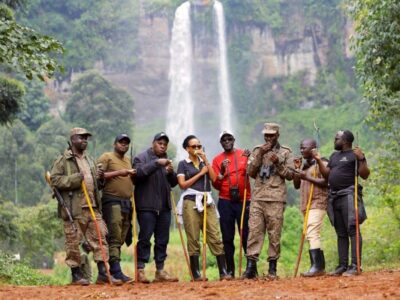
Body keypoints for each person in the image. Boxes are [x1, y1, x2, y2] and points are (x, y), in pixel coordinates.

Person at [50, 128, 121, 285]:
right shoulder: (64, 160)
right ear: (73, 139)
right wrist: (75, 179)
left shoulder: (89, 160)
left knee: (101, 237)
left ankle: (103, 273)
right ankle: (76, 275)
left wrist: (101, 179)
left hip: (93, 207)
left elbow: (96, 184)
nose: (85, 140)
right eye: (81, 138)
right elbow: (55, 181)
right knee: (73, 242)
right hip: (74, 209)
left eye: (86, 138)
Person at [242, 123, 295, 280]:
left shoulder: (286, 152)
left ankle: (272, 269)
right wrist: (260, 155)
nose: (268, 138)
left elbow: (291, 175)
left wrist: (278, 162)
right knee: (254, 232)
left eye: (271, 135)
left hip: (275, 199)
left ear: (278, 135)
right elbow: (250, 172)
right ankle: (251, 267)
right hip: (258, 198)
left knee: (274, 234)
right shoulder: (257, 150)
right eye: (266, 135)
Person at [313, 130, 370, 276]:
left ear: (344, 141)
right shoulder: (334, 156)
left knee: (352, 229)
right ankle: (342, 265)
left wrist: (362, 158)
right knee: (341, 232)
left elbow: (364, 175)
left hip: (349, 196)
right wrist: (319, 160)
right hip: (334, 197)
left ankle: (355, 265)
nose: (334, 140)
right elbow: (327, 175)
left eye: (336, 138)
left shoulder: (355, 155)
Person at [177, 135, 232, 281]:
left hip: (207, 201)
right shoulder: (183, 164)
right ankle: (195, 273)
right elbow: (182, 185)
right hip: (190, 201)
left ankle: (223, 271)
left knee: (215, 234)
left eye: (199, 146)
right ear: (187, 149)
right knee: (193, 236)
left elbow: (214, 179)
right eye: (193, 147)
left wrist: (206, 161)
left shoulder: (204, 163)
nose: (197, 149)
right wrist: (200, 174)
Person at [133, 132, 179, 283]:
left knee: (162, 240)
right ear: (153, 143)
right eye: (160, 143)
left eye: (165, 144)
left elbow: (173, 183)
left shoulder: (167, 161)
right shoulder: (141, 158)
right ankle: (140, 270)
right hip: (146, 206)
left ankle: (160, 271)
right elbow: (138, 174)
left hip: (164, 207)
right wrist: (157, 163)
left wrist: (171, 173)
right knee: (145, 238)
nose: (162, 146)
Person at [211, 130, 251, 277]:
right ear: (220, 142)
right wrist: (221, 170)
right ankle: (230, 270)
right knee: (227, 236)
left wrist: (250, 159)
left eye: (229, 138)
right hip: (225, 201)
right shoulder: (216, 160)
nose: (227, 141)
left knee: (246, 234)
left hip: (244, 200)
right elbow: (215, 184)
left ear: (234, 139)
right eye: (223, 140)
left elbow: (252, 172)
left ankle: (251, 269)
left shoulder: (244, 155)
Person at [97, 134, 135, 283]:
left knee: (121, 235)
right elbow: (98, 176)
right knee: (114, 234)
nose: (123, 145)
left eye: (126, 143)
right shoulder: (107, 157)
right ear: (114, 143)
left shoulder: (128, 160)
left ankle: (115, 270)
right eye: (121, 142)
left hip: (126, 202)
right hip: (111, 201)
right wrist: (120, 173)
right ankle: (115, 271)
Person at [293, 138, 328, 277]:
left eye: (305, 148)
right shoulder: (304, 166)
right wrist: (297, 170)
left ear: (313, 149)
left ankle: (316, 267)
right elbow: (296, 185)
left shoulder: (322, 163)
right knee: (311, 233)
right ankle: (320, 266)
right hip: (306, 205)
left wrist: (307, 177)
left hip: (317, 202)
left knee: (312, 232)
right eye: (301, 148)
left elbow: (326, 181)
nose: (302, 150)